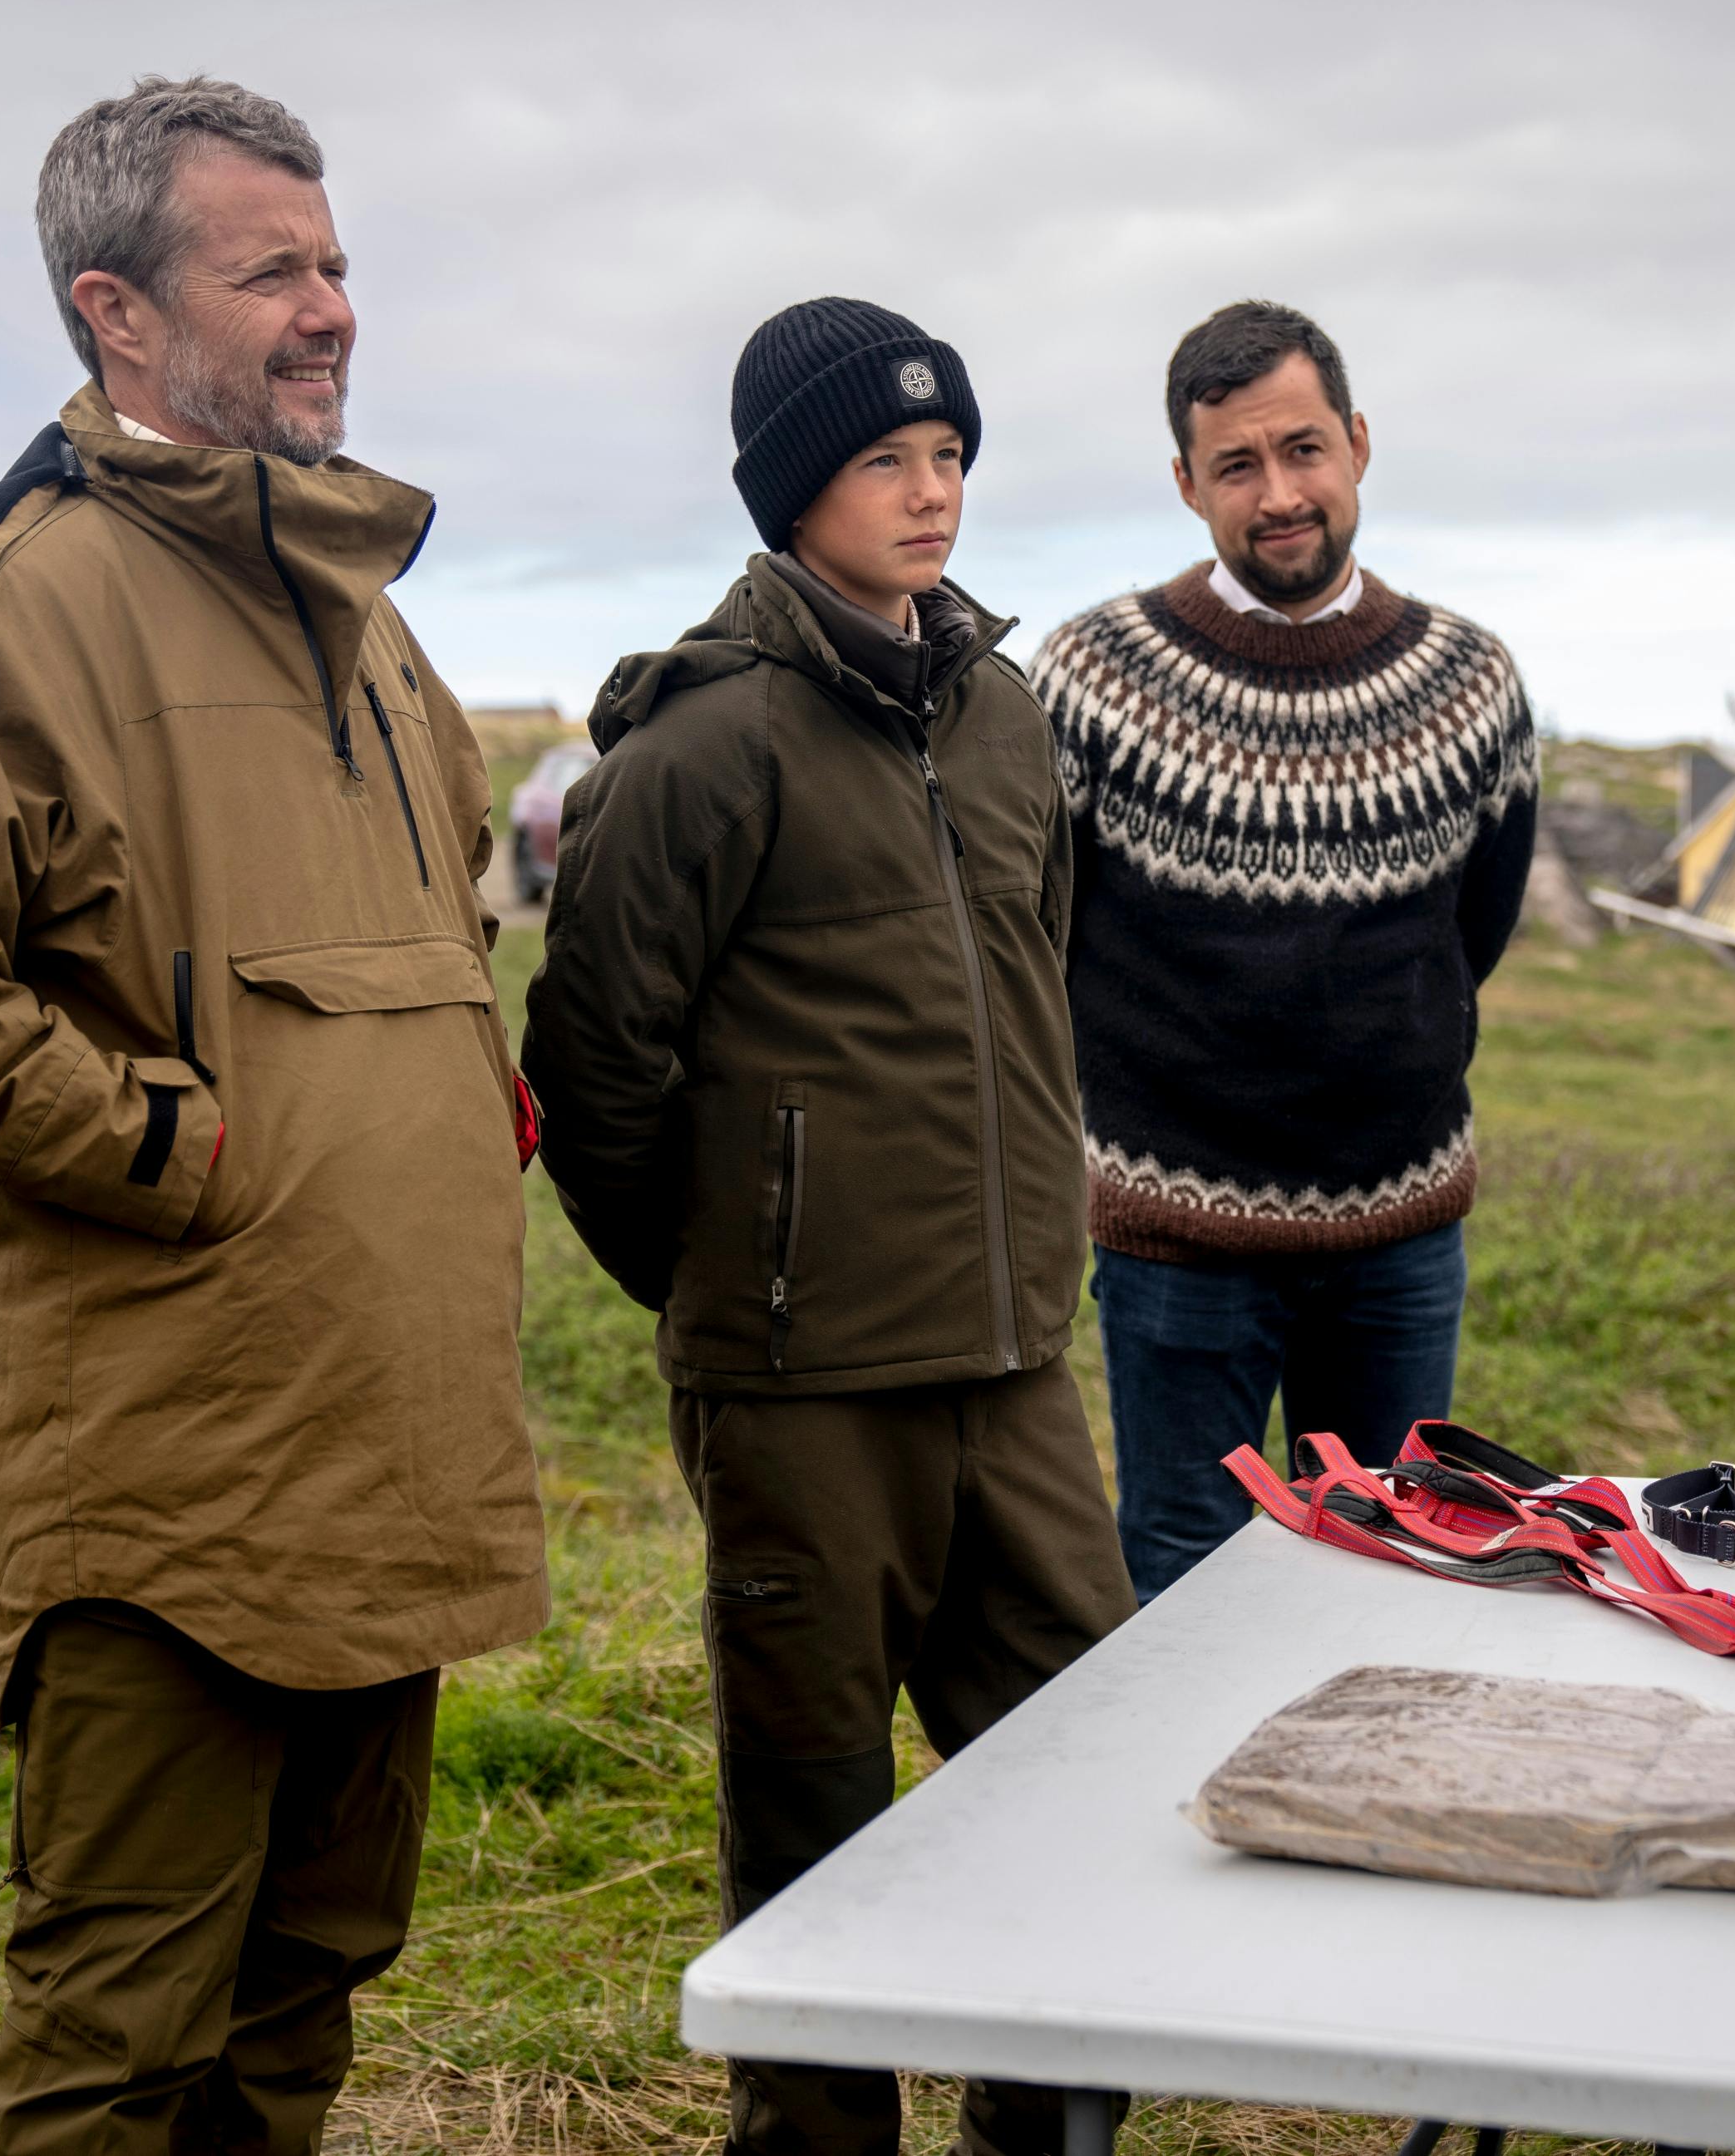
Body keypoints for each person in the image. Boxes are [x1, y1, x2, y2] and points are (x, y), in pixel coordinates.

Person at [0, 76, 547, 2156]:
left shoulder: (367, 618)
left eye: (338, 260)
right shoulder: (6, 603)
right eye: (269, 267)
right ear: (118, 312)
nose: (331, 307)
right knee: (117, 2045)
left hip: (386, 1450)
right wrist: (168, 1147)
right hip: (175, 1487)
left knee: (304, 2001)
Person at [520, 297, 1133, 2156]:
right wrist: (734, 1280)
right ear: (796, 487)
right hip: (803, 1387)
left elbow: (1044, 981)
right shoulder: (700, 749)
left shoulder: (1012, 715)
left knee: (1078, 1775)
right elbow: (592, 1065)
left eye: (950, 458)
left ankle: (1045, 2130)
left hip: (1018, 1365)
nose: (931, 493)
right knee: (810, 1819)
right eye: (887, 460)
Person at [1032, 299, 1539, 1601]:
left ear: (1359, 445)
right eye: (1237, 466)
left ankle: (1373, 1812)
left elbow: (1471, 928)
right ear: (1186, 484)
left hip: (1400, 1230)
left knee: (1399, 1566)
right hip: (1173, 1235)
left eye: (1303, 449)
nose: (1279, 494)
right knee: (1183, 1577)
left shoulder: (1474, 681)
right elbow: (1040, 923)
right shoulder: (1087, 679)